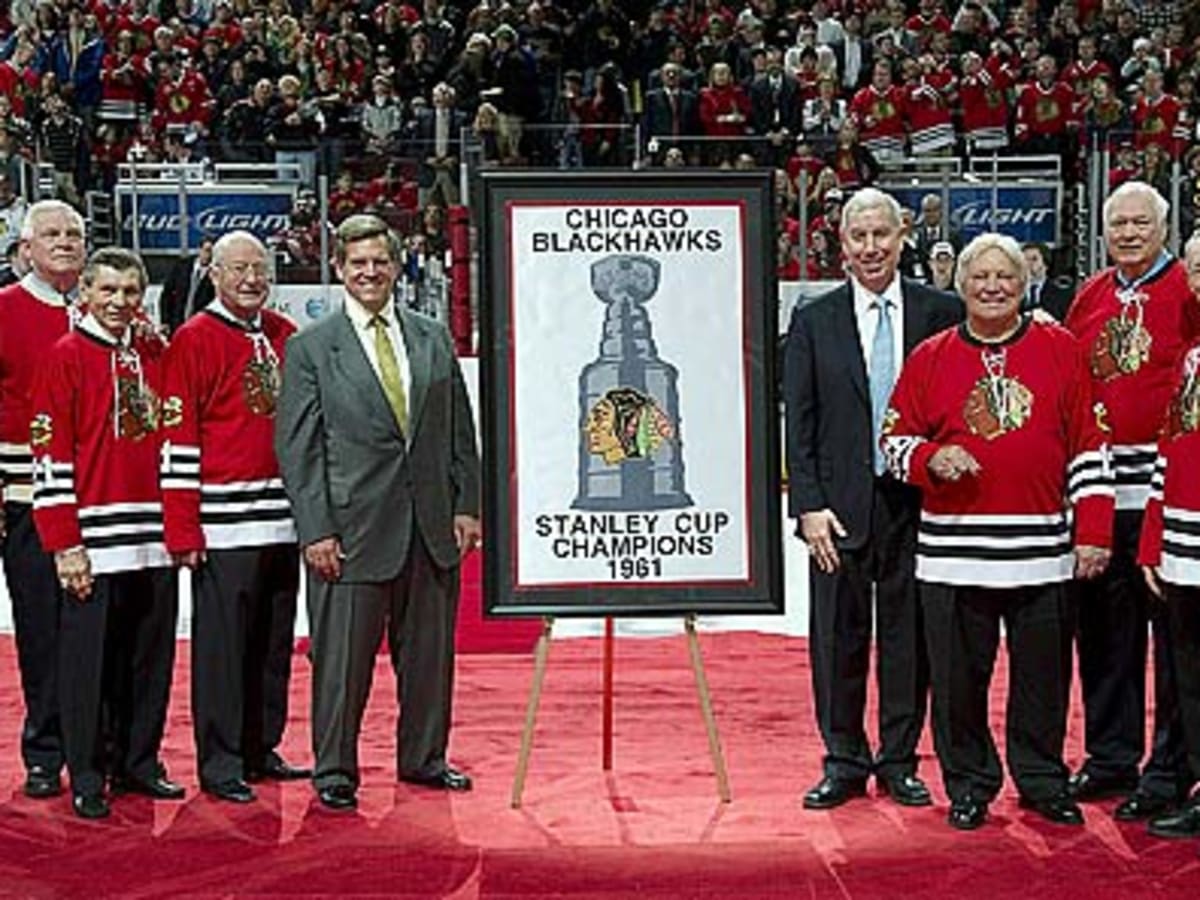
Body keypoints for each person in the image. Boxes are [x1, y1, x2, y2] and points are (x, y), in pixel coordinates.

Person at [882, 232, 1114, 830]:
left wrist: (1095, 530)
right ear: (961, 286)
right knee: (959, 683)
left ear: (1023, 283)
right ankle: (969, 783)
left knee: (1043, 678)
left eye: (1004, 277)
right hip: (954, 557)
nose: (992, 287)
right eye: (980, 277)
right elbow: (892, 442)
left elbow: (1090, 445)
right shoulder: (929, 355)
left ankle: (1041, 779)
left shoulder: (1060, 349)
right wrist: (930, 457)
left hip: (1042, 553)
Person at [276, 214, 482, 812]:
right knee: (341, 664)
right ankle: (335, 769)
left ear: (397, 266)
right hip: (348, 532)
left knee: (428, 660)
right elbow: (298, 447)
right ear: (339, 269)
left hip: (432, 529)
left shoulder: (432, 336)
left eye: (380, 261)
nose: (370, 272)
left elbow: (458, 431)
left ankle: (424, 758)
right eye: (357, 262)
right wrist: (315, 528)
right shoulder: (311, 347)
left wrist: (466, 504)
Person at [783, 187, 961, 810]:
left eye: (881, 234)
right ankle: (843, 759)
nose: (871, 248)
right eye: (859, 237)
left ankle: (899, 760)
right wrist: (807, 506)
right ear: (842, 243)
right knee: (836, 638)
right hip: (836, 510)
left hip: (919, 505)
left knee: (910, 638)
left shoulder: (942, 311)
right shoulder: (813, 319)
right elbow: (797, 423)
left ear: (903, 234)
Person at [1064, 180, 1200, 820]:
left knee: (1175, 645)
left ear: (1164, 228)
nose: (1127, 233)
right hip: (1100, 493)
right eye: (1117, 223)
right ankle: (1111, 756)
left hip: (1171, 504)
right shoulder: (1088, 296)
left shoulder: (1188, 292)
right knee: (1103, 635)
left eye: (1140, 223)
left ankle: (1169, 770)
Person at [29, 247, 180, 819]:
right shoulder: (65, 356)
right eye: (108, 291)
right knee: (86, 665)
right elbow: (50, 456)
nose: (119, 302)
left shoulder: (154, 354)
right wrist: (64, 543)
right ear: (86, 293)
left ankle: (139, 762)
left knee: (147, 659)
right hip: (92, 539)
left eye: (130, 292)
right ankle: (87, 773)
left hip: (155, 537)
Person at [160, 231, 309, 804]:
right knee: (222, 648)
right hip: (223, 524)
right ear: (215, 274)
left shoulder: (285, 335)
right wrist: (182, 526)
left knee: (272, 643)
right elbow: (178, 438)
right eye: (239, 268)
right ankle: (220, 761)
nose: (251, 278)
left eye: (260, 268)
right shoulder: (193, 339)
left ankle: (259, 745)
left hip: (283, 521)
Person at [0, 200, 86, 801]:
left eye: (74, 233)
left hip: (105, 501)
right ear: (25, 248)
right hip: (26, 496)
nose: (64, 242)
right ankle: (45, 750)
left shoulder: (107, 307)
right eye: (51, 233)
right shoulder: (3, 310)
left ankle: (98, 747)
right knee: (42, 631)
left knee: (104, 628)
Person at [1138, 232, 1200, 843]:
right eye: (1199, 268)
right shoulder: (1190, 357)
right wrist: (1153, 539)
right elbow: (1170, 450)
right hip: (1183, 549)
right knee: (1187, 674)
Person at [158, 234, 216, 335]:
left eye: (213, 252)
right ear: (200, 249)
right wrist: (165, 320)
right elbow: (167, 294)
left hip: (200, 330)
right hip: (176, 325)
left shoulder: (215, 275)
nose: (209, 255)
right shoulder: (182, 267)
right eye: (207, 250)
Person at [1021, 243, 1073, 320]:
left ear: (1046, 264)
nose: (1028, 264)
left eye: (1034, 259)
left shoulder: (1062, 294)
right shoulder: (1012, 291)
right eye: (1024, 260)